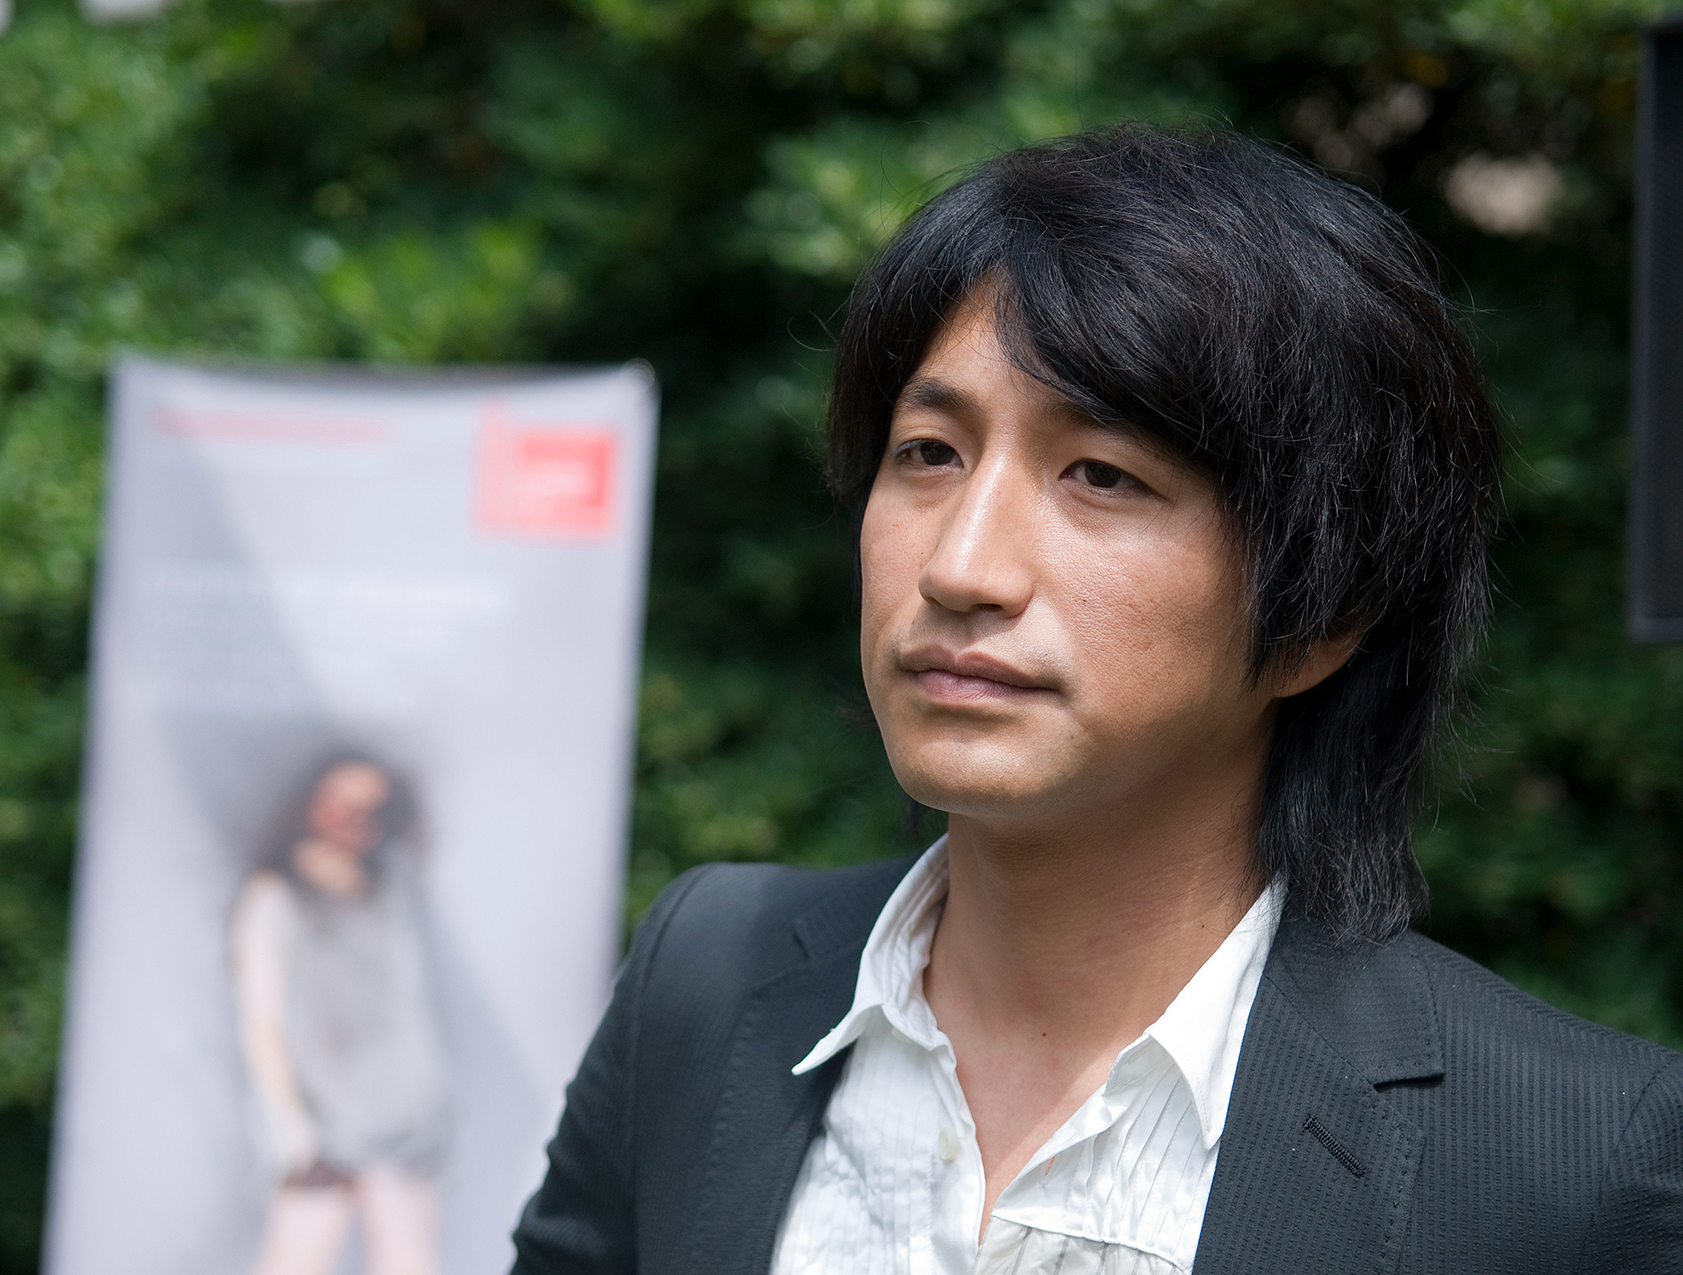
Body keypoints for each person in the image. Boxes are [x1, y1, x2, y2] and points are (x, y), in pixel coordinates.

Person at [509, 127, 1683, 1274]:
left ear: (1323, 619)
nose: (961, 567)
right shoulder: (711, 976)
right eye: (929, 452)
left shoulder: (1568, 1165)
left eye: (1103, 476)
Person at [232, 758, 448, 1275]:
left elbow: (411, 1008)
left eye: (370, 809)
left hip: (400, 1125)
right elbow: (261, 1023)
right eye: (340, 803)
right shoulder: (274, 896)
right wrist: (292, 1134)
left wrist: (426, 1109)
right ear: (310, 804)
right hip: (318, 1129)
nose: (351, 819)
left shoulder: (392, 895)